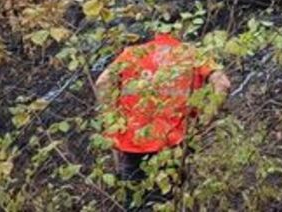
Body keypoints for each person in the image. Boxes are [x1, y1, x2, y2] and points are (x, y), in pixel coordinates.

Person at [95, 33, 231, 184]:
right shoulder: (193, 54)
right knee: (171, 194)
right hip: (176, 143)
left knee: (133, 195)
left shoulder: (132, 54)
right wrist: (205, 120)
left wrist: (112, 120)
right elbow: (222, 84)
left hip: (134, 143)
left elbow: (103, 82)